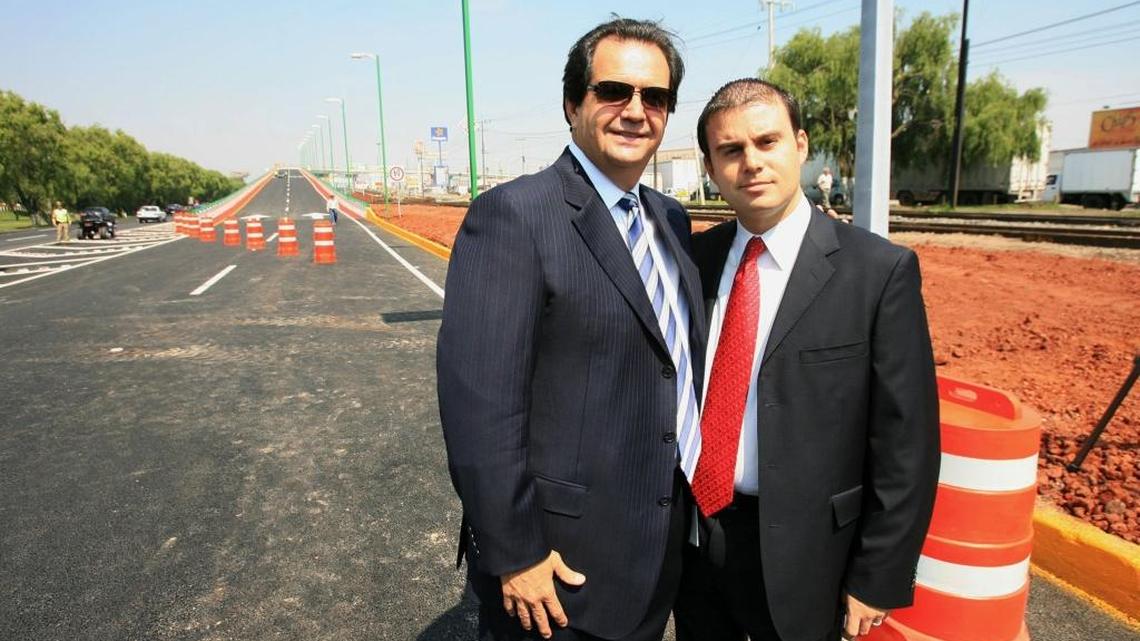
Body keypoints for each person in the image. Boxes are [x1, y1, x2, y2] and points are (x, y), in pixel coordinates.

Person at [437, 18, 703, 641]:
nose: (636, 111)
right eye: (615, 91)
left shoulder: (669, 217)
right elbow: (480, 407)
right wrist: (514, 553)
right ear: (571, 103)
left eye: (655, 97)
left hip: (655, 551)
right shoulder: (513, 216)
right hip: (558, 571)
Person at [674, 78, 940, 641]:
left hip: (811, 556)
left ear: (800, 144)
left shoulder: (877, 273)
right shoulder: (694, 262)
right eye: (731, 150)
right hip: (698, 543)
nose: (752, 162)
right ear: (710, 166)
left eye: (766, 142)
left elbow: (906, 444)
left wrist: (878, 574)